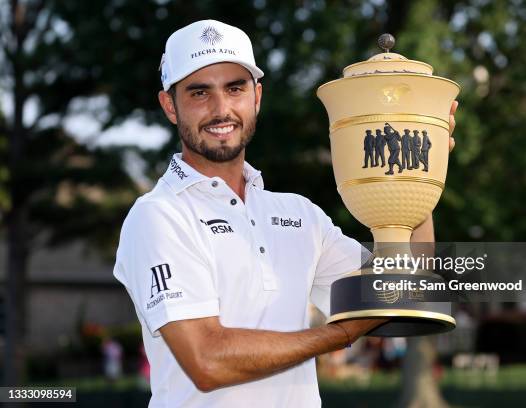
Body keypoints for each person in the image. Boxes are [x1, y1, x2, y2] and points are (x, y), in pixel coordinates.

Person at [113, 19, 458, 408]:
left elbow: (401, 284)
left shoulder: (299, 214)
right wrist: (341, 334)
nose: (221, 109)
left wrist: (417, 171)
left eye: (235, 88)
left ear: (256, 97)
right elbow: (207, 361)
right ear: (169, 107)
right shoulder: (158, 216)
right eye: (199, 93)